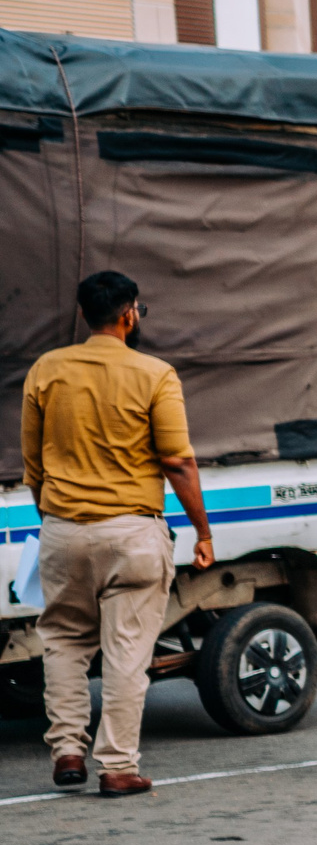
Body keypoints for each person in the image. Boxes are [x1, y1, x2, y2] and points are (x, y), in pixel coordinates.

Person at [21, 272, 214, 796]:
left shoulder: (46, 371)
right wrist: (202, 530)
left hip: (62, 530)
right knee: (127, 651)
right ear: (129, 314)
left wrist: (56, 518)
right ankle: (117, 766)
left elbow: (34, 468)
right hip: (132, 533)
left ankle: (66, 750)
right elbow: (177, 460)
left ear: (85, 315)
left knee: (63, 642)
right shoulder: (155, 373)